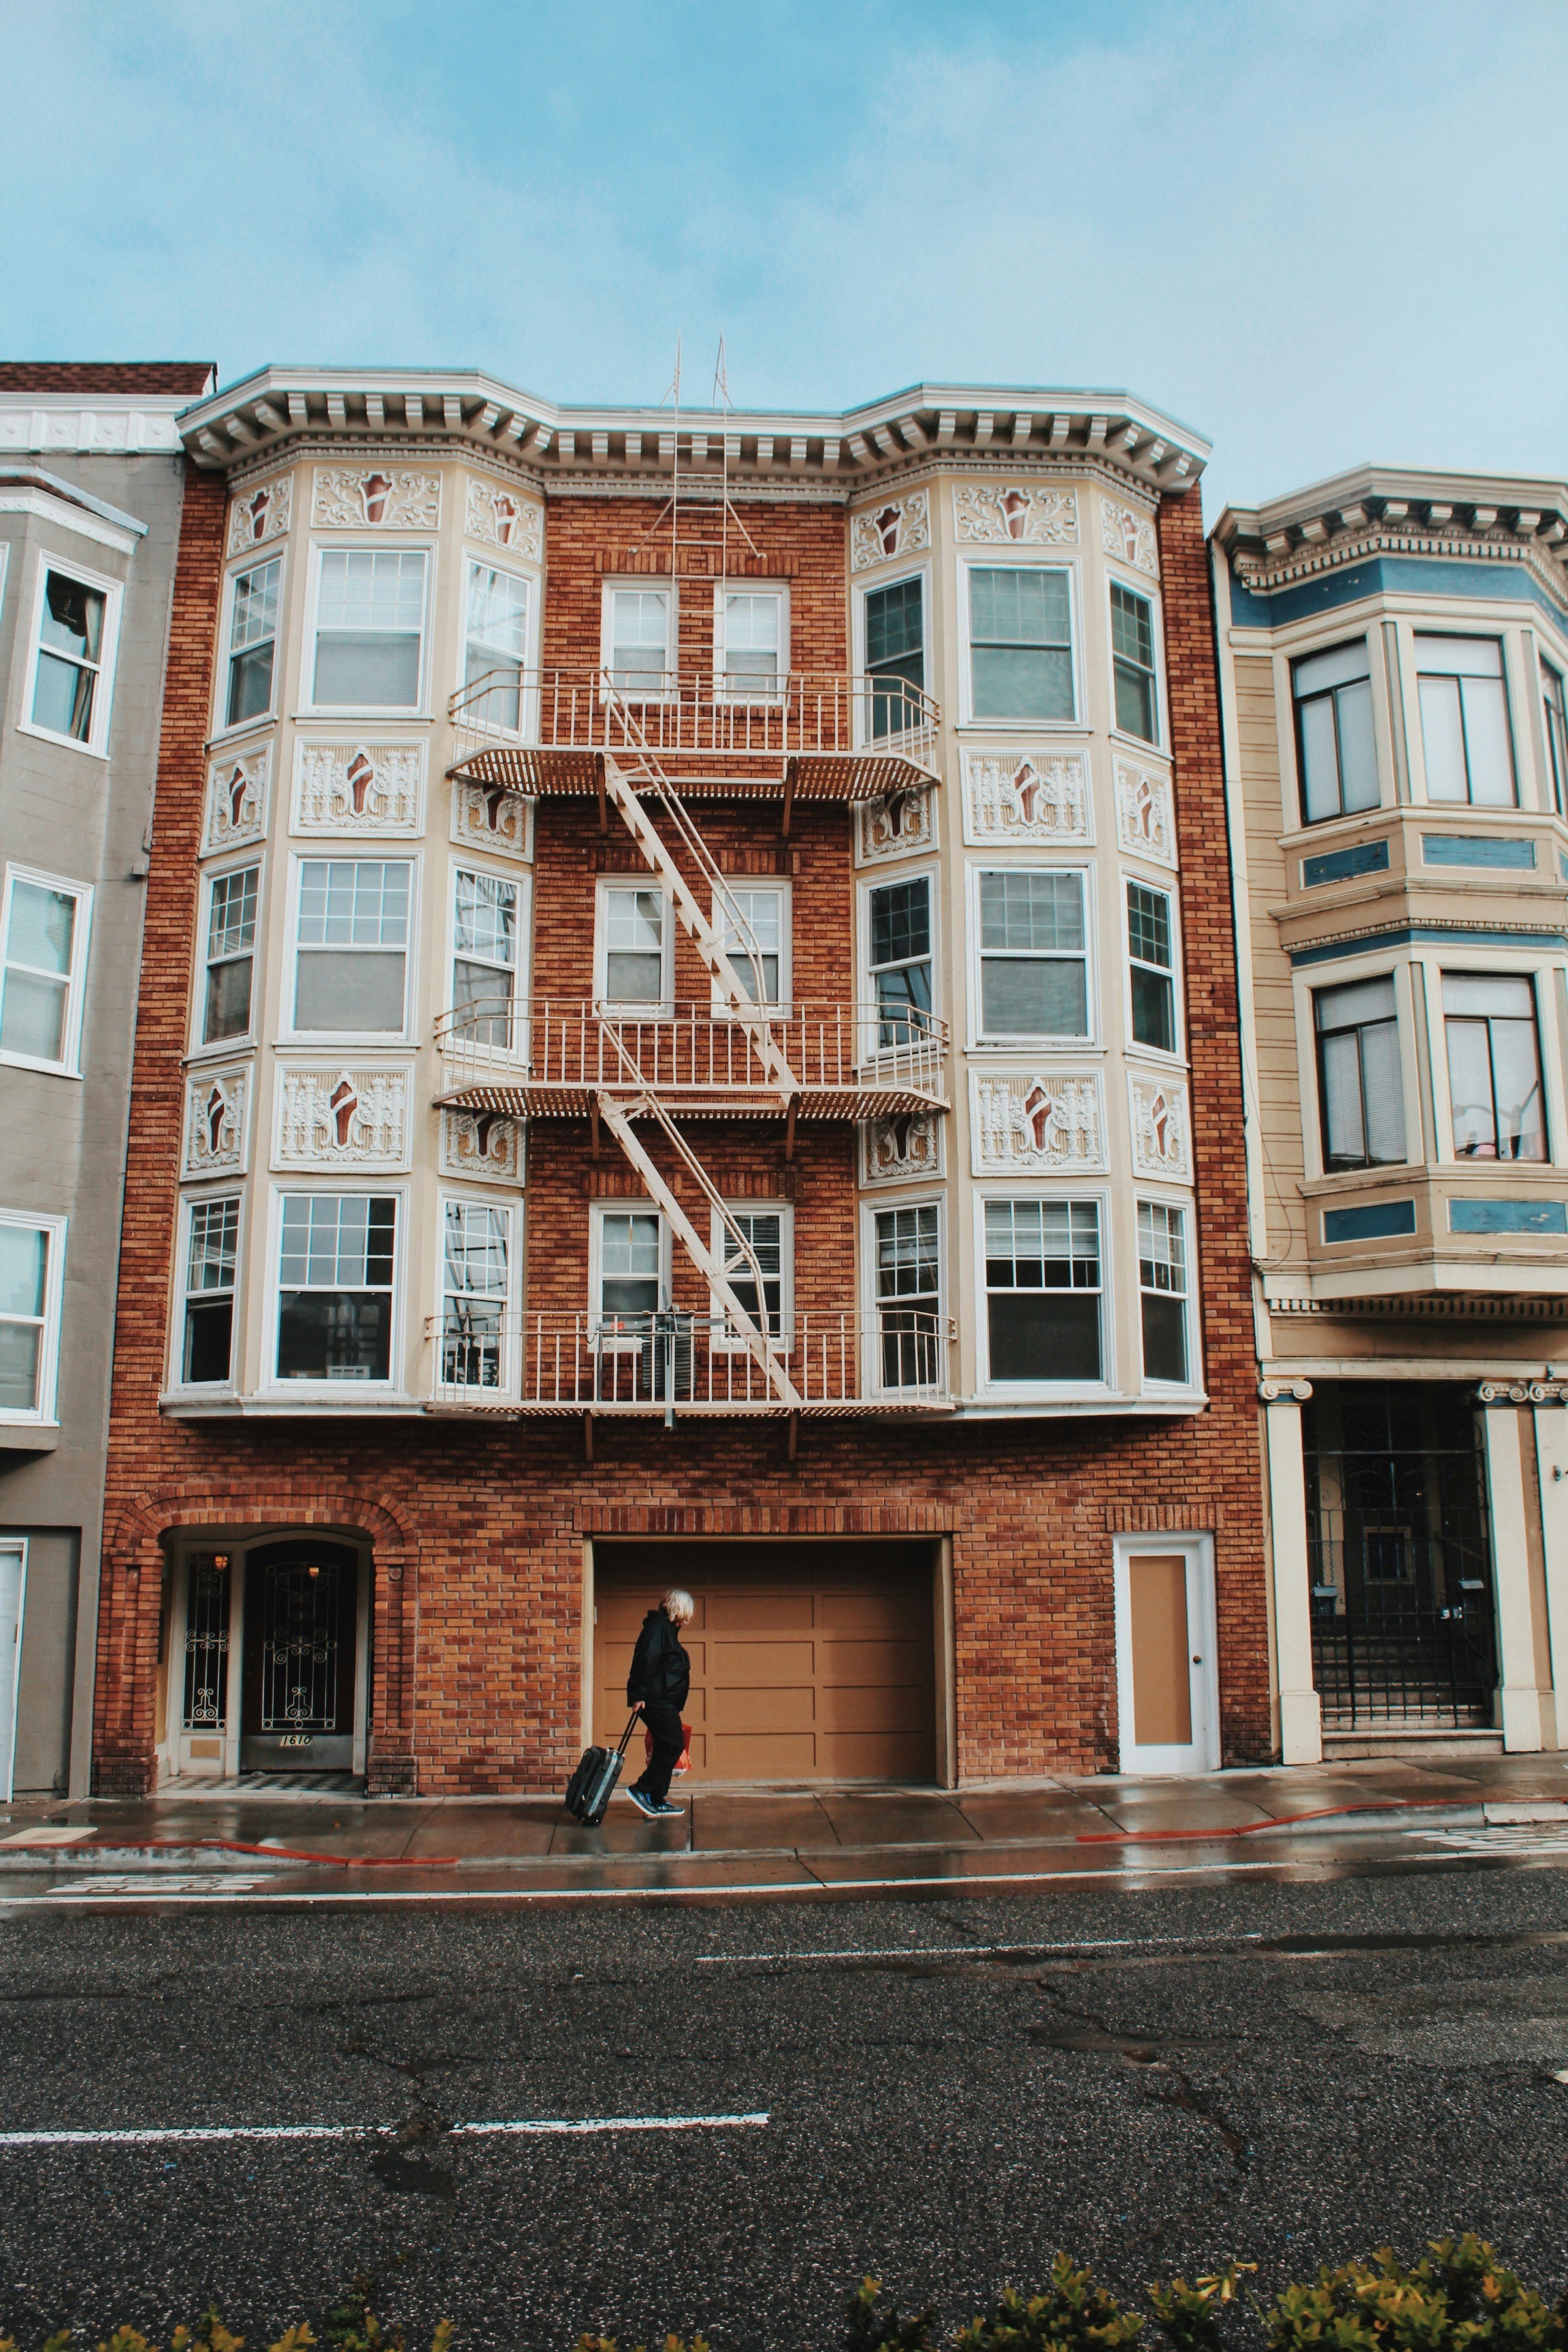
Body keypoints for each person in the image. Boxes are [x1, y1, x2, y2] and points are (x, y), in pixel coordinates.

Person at [625, 1587, 693, 1818]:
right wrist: (638, 1695)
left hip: (664, 1701)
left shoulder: (668, 1629)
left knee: (667, 1746)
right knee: (673, 1745)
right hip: (655, 1699)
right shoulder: (658, 1627)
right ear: (680, 1608)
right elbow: (646, 1659)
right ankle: (642, 1790)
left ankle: (655, 1798)